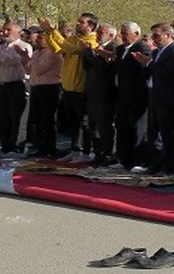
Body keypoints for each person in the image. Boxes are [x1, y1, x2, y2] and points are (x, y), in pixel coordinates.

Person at [42, 13, 99, 160]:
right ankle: (74, 149)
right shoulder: (73, 39)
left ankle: (85, 150)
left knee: (83, 121)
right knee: (72, 121)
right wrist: (49, 33)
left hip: (81, 87)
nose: (78, 24)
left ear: (90, 26)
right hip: (67, 86)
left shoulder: (92, 40)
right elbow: (58, 49)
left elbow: (73, 50)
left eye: (82, 22)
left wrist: (54, 31)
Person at [139, 23, 174, 174]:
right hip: (154, 94)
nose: (154, 39)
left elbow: (168, 73)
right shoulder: (158, 51)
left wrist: (149, 63)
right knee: (153, 132)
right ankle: (155, 163)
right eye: (153, 36)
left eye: (157, 36)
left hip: (167, 97)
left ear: (168, 35)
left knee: (166, 133)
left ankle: (167, 165)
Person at [0, 20, 32, 155]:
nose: (4, 32)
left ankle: (16, 146)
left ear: (19, 32)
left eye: (8, 30)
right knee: (1, 116)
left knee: (16, 117)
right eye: (3, 30)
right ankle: (5, 145)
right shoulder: (3, 46)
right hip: (1, 85)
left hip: (16, 85)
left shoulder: (24, 46)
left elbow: (11, 60)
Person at [113, 22, 151, 171]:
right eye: (121, 33)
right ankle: (124, 159)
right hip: (122, 94)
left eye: (126, 33)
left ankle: (139, 161)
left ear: (136, 34)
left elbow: (145, 72)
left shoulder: (142, 49)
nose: (123, 36)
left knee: (138, 129)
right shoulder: (120, 49)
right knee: (123, 127)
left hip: (138, 96)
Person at [83, 23, 120, 165]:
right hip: (92, 92)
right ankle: (98, 152)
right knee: (93, 126)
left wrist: (89, 52)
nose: (97, 35)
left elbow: (101, 66)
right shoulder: (96, 49)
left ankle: (107, 152)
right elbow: (88, 66)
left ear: (111, 35)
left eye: (101, 33)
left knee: (104, 126)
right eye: (97, 32)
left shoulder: (112, 48)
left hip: (105, 94)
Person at [27, 27, 63, 157]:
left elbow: (39, 69)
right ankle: (39, 146)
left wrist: (32, 60)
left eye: (41, 38)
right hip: (36, 87)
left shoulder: (53, 53)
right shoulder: (37, 53)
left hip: (49, 88)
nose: (37, 40)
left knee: (47, 119)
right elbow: (27, 69)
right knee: (37, 119)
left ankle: (49, 148)